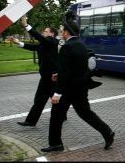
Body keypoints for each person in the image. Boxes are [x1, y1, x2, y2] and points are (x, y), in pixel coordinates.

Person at [41, 21, 114, 152]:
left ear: (67, 32)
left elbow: (66, 71)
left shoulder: (67, 47)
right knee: (85, 113)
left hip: (68, 89)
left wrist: (57, 93)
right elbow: (76, 67)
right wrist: (59, 74)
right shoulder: (81, 44)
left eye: (63, 30)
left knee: (56, 115)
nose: (62, 33)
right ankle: (107, 132)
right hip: (81, 87)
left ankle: (56, 144)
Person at [9, 15, 63, 126]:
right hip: (46, 77)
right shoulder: (45, 43)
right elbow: (33, 47)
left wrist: (26, 26)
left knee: (52, 99)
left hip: (52, 77)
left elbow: (40, 38)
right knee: (40, 100)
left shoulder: (52, 42)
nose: (43, 32)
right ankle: (31, 121)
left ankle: (60, 115)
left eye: (46, 31)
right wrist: (18, 42)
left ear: (52, 34)